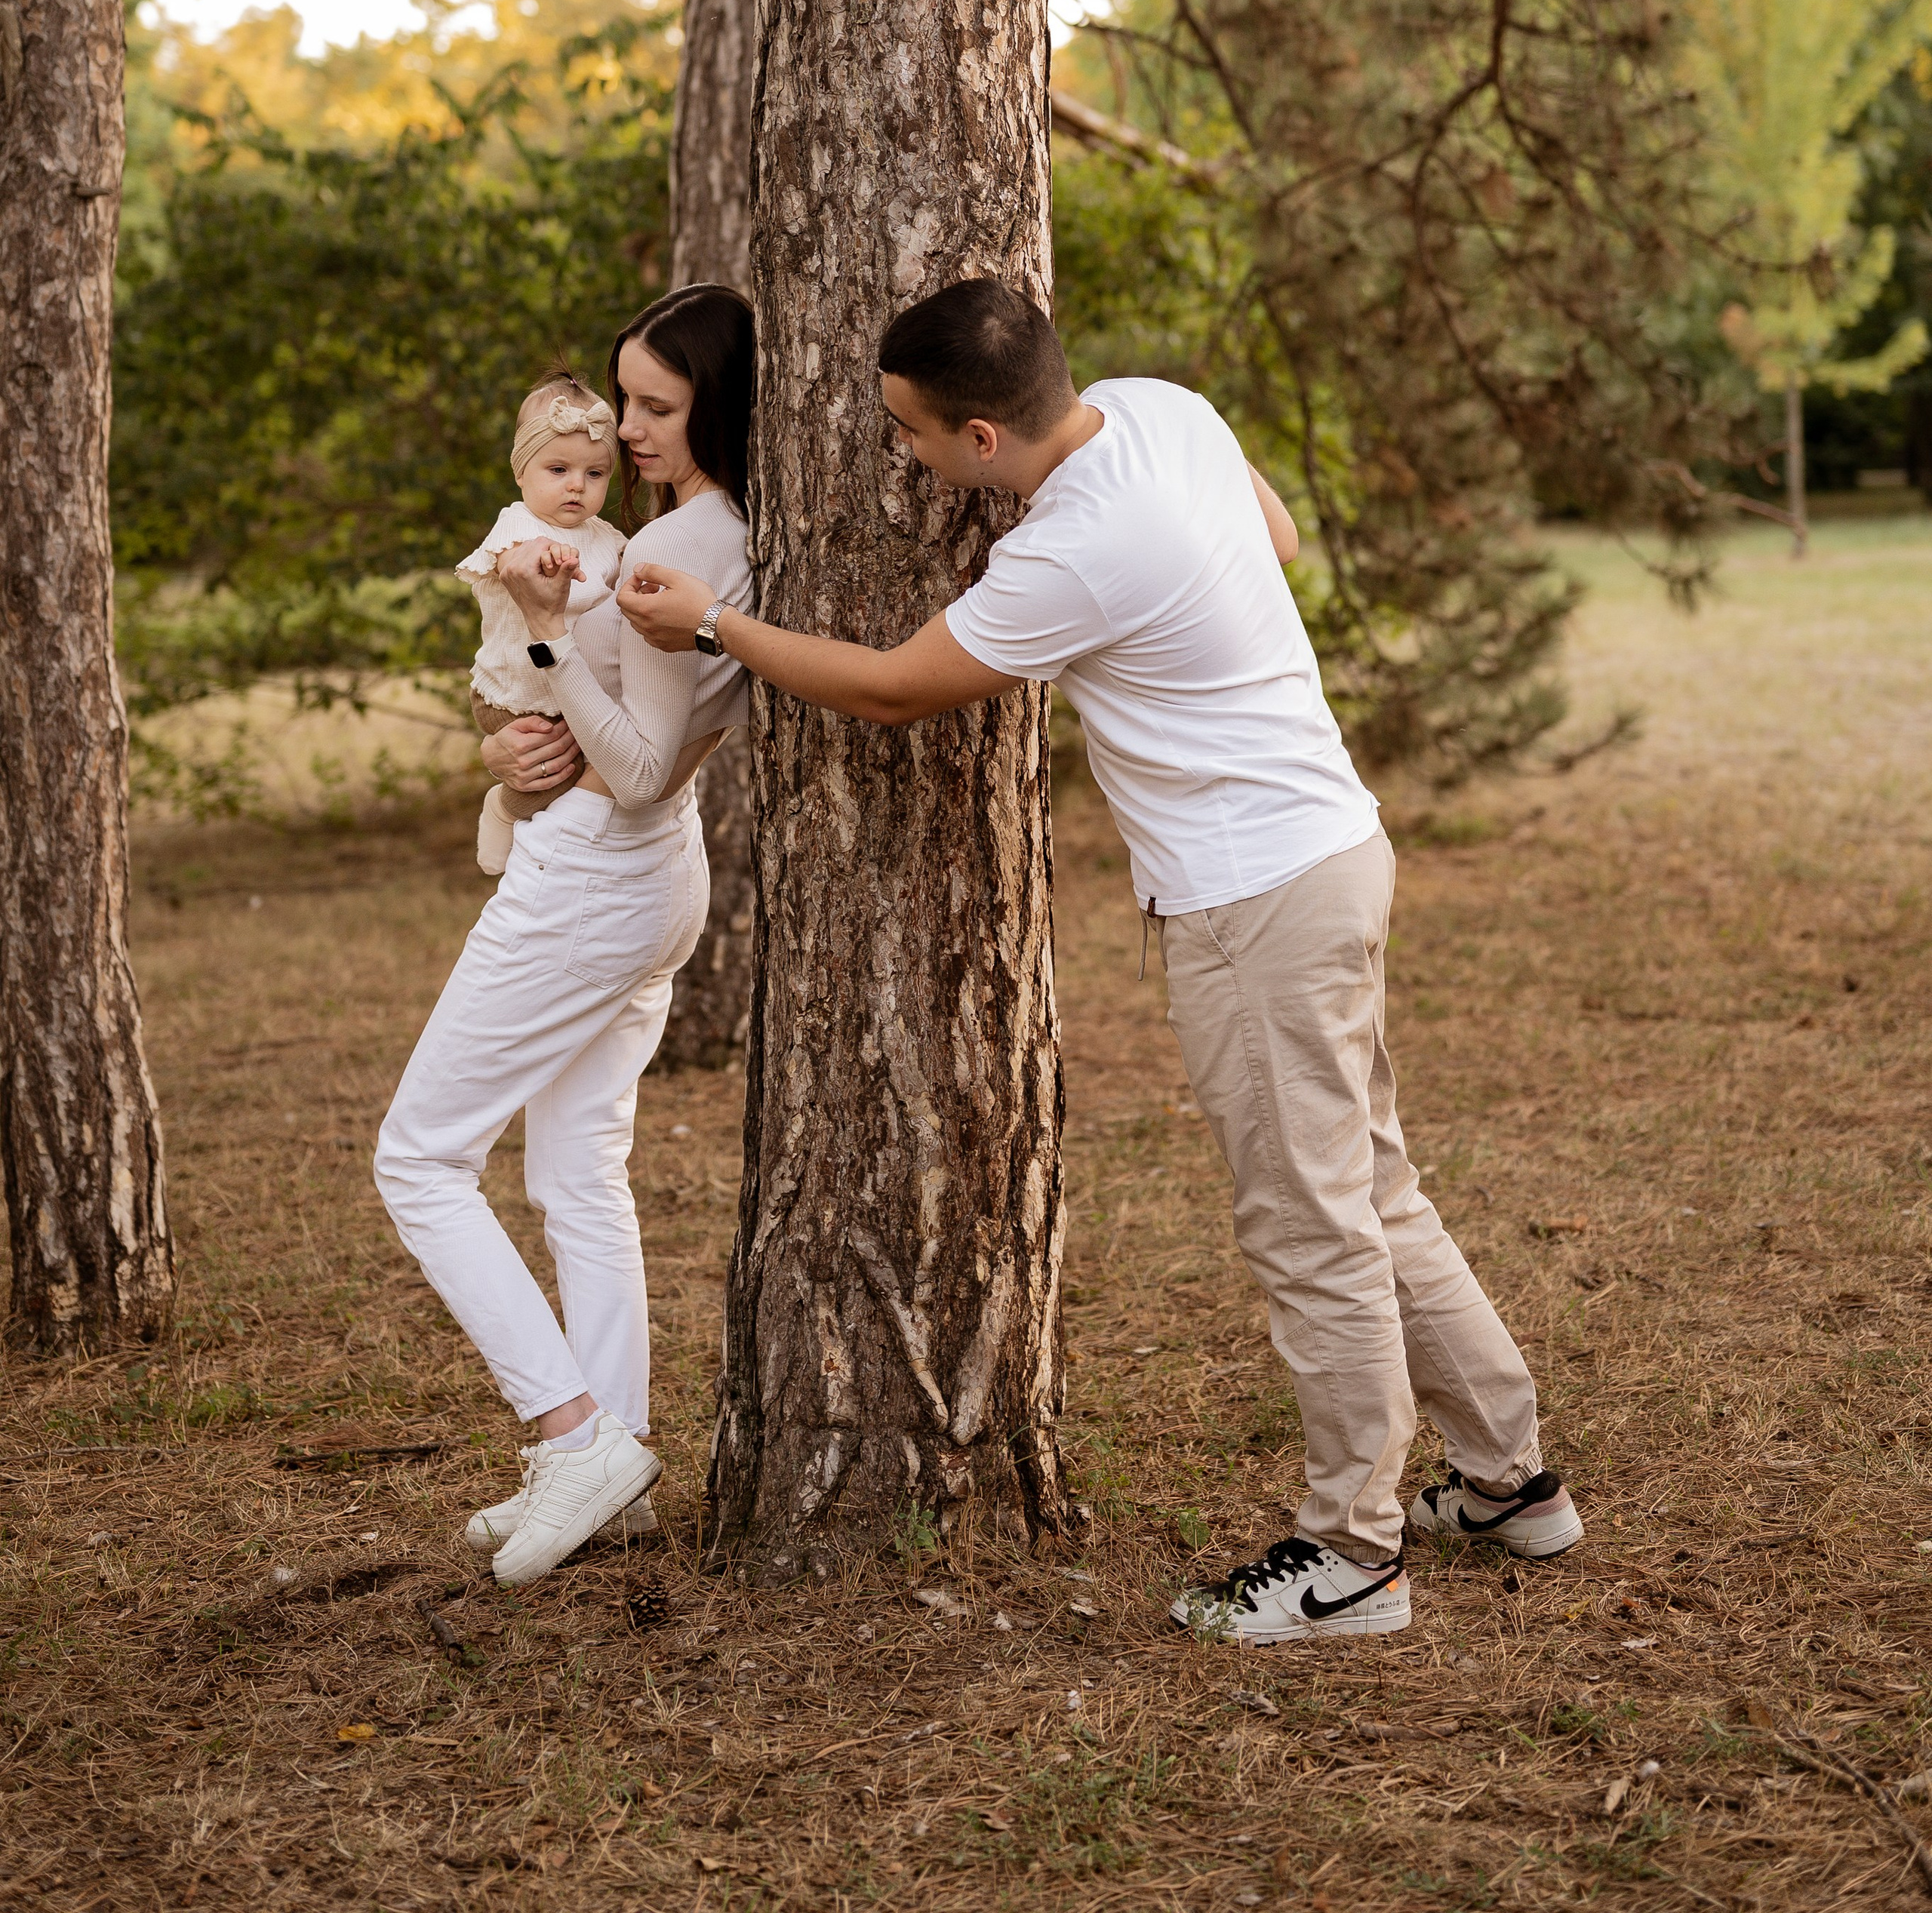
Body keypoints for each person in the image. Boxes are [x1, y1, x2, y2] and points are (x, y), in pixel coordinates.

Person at [620, 277, 1580, 1644]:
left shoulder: (1069, 550)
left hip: (1257, 897)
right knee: (1370, 1185)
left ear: (984, 442)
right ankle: (1511, 1483)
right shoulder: (1157, 409)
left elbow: (895, 688)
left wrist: (713, 624)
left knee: (1312, 1225)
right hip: (1334, 846)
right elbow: (1283, 533)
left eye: (910, 434)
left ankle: (1353, 1559)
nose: (902, 457)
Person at [373, 284, 755, 1589]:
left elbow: (642, 761)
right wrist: (513, 737)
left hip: (600, 871)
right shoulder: (711, 527)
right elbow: (615, 737)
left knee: (419, 1156)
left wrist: (545, 641)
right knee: (578, 1171)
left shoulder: (680, 544)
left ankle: (573, 1432)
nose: (630, 428)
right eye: (622, 399)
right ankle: (620, 1468)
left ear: (722, 399)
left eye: (657, 403)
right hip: (649, 875)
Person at [458, 367, 626, 878]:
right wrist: (547, 554)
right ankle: (505, 810)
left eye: (594, 474)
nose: (577, 485)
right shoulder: (520, 524)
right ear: (521, 472)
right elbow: (515, 560)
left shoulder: (607, 539)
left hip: (572, 698)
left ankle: (542, 851)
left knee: (589, 777)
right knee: (552, 776)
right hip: (515, 697)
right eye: (558, 470)